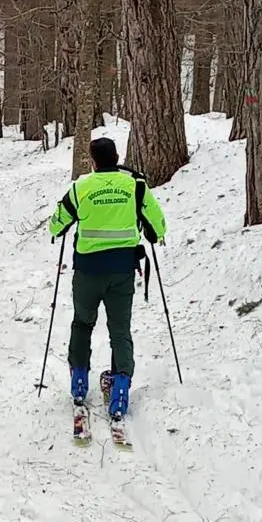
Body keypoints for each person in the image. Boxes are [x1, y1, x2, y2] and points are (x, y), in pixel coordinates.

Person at [48, 137, 166, 420]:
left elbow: (56, 224)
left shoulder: (80, 188)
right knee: (120, 330)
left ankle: (79, 380)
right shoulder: (135, 186)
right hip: (122, 273)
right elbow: (158, 227)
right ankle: (121, 385)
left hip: (87, 272)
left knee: (82, 323)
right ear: (116, 156)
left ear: (92, 160)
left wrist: (63, 225)